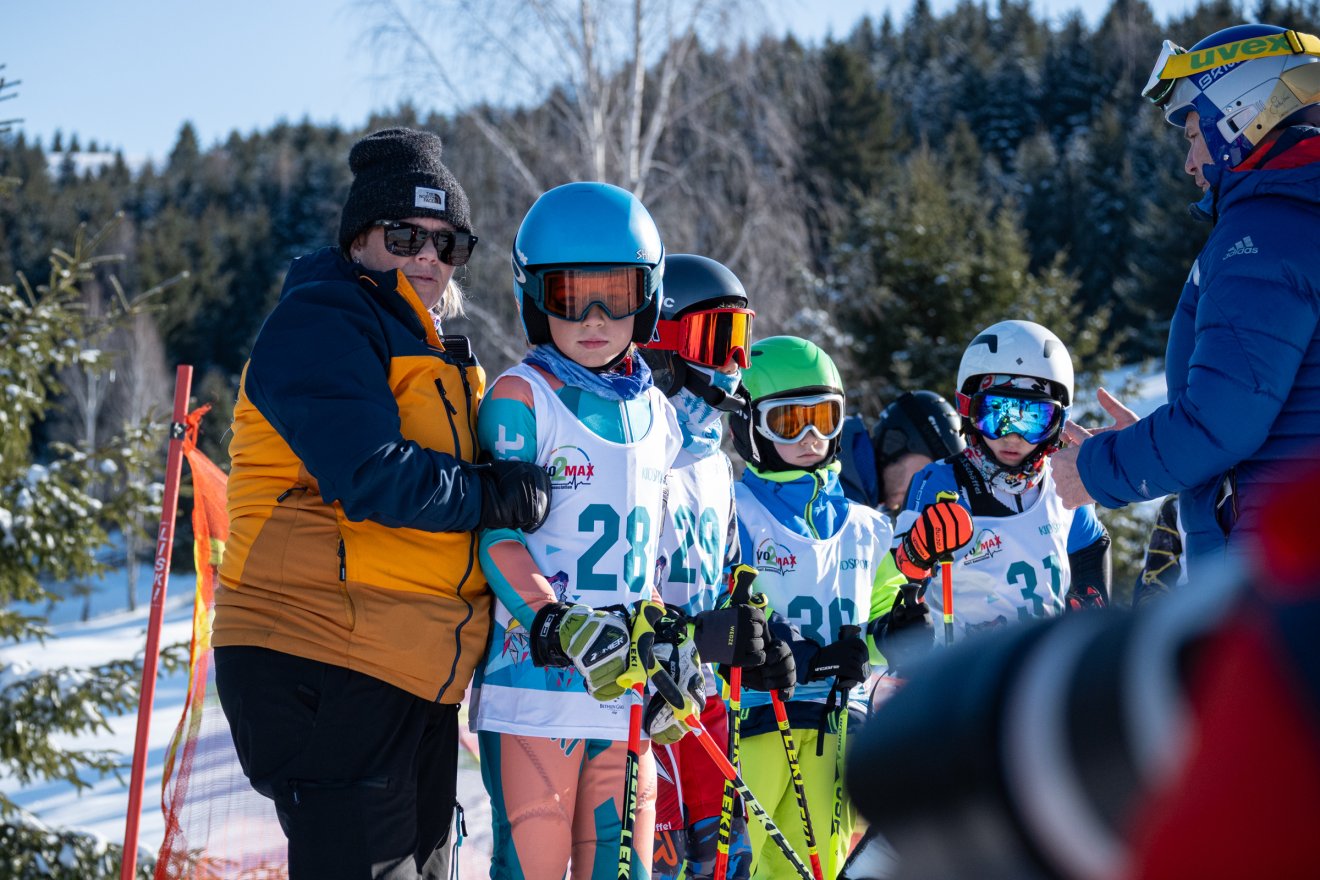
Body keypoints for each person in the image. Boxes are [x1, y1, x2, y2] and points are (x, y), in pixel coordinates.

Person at [213, 128, 551, 879]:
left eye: (447, 242)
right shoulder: (323, 321)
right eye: (405, 235)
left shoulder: (430, 349)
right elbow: (370, 472)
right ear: (360, 237)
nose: (427, 257)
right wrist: (490, 493)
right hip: (320, 657)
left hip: (408, 669)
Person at [471, 181, 688, 879]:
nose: (593, 318)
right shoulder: (521, 397)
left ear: (647, 298)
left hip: (624, 691)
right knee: (531, 866)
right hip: (537, 688)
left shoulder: (661, 415)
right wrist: (553, 620)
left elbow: (660, 555)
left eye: (615, 296)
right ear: (535, 299)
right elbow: (496, 538)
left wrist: (676, 645)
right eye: (570, 297)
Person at [1052, 23, 1320, 576]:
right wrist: (1162, 433)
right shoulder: (1296, 221)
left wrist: (1098, 469)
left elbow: (1223, 425)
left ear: (1244, 116)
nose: (1189, 163)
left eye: (1195, 135)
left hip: (1275, 573)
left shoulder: (1262, 238)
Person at [727, 336, 910, 880]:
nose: (811, 438)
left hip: (834, 727)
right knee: (746, 866)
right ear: (750, 425)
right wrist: (795, 655)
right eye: (790, 423)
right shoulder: (734, 514)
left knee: (815, 871)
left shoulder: (867, 528)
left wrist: (897, 629)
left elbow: (877, 625)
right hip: (757, 722)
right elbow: (713, 613)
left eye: (824, 419)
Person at [638, 254, 795, 880]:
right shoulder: (642, 452)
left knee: (724, 857)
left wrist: (754, 633)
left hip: (707, 698)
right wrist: (695, 632)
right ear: (662, 349)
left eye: (741, 341)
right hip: (648, 704)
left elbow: (728, 567)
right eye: (716, 340)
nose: (733, 365)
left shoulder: (713, 462)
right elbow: (621, 581)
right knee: (666, 860)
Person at [894, 319, 1110, 647]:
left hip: (1039, 666)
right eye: (997, 414)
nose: (1013, 436)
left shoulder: (1061, 481)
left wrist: (1090, 599)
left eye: (1034, 419)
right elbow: (896, 575)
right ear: (968, 409)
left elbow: (1091, 545)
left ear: (1058, 422)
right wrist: (918, 552)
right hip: (962, 673)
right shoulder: (939, 481)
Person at [870, 391, 965, 516]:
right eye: (925, 473)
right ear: (895, 444)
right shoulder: (843, 492)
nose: (922, 489)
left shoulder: (862, 499)